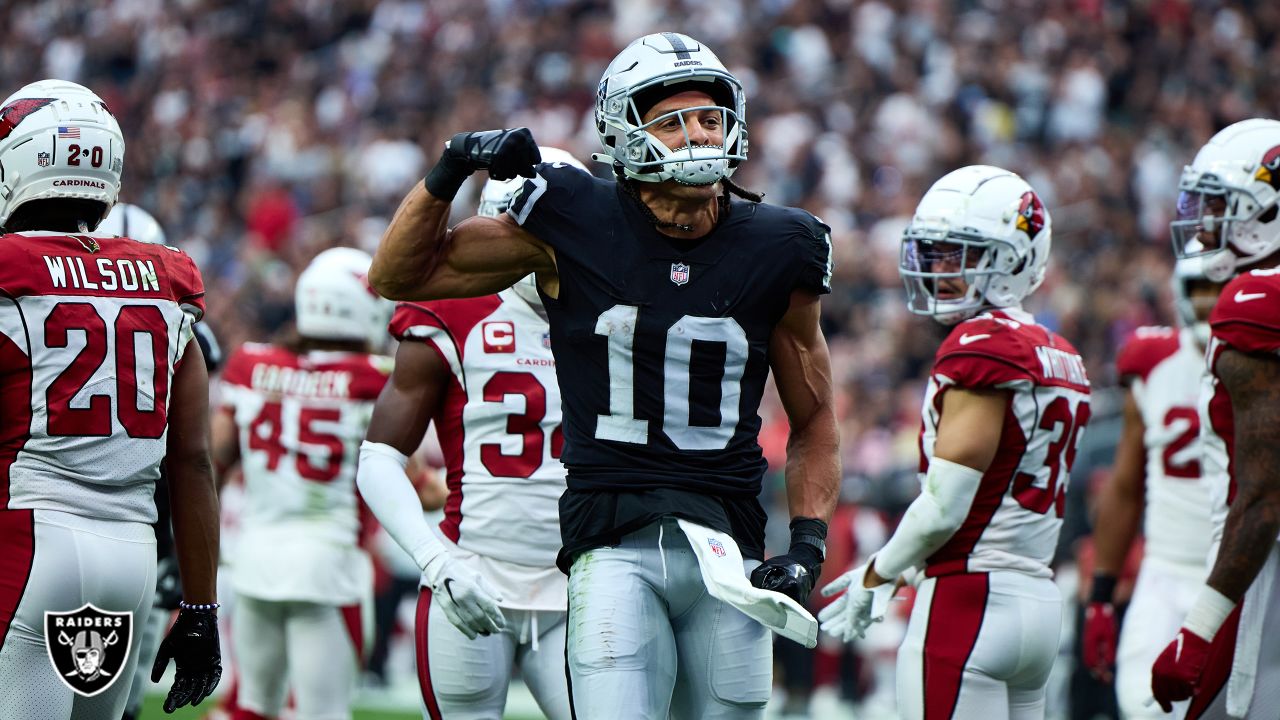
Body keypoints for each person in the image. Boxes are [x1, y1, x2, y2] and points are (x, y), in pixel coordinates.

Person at [369, 32, 840, 719]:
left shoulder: (782, 243)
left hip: (728, 544)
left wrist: (806, 545)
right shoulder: (574, 215)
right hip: (611, 538)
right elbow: (397, 275)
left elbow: (816, 418)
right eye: (673, 121)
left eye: (710, 117)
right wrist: (449, 169)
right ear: (623, 131)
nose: (698, 134)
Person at [819, 165, 1091, 718]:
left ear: (1015, 257)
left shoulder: (982, 344)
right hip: (1036, 602)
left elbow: (946, 506)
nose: (942, 270)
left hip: (969, 602)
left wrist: (879, 572)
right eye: (936, 254)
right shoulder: (1060, 352)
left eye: (961, 253)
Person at [0, 79, 221, 719]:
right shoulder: (168, 277)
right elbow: (192, 460)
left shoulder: (11, 271)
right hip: (132, 559)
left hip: (28, 542)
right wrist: (202, 606)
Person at [357, 147, 584, 720]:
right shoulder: (454, 311)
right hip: (473, 574)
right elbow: (378, 458)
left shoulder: (616, 316)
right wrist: (438, 560)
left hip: (585, 588)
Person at [212, 247, 392, 720]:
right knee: (324, 713)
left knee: (251, 706)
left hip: (254, 557)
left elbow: (213, 461)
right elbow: (405, 475)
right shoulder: (375, 380)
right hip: (328, 565)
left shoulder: (250, 365)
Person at [1151, 118, 1280, 718]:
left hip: (1266, 574)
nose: (1205, 224)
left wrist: (1199, 628)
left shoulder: (1255, 305)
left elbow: (1264, 496)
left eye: (1223, 207)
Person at [92, 202, 228, 720]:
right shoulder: (182, 325)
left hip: (49, 522)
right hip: (138, 533)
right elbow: (192, 462)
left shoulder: (27, 294)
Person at [1080, 254, 1221, 717]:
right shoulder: (1154, 362)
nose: (1212, 300)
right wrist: (1101, 596)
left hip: (1247, 574)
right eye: (1202, 286)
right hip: (1165, 570)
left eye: (1222, 285)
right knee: (1141, 707)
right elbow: (1124, 486)